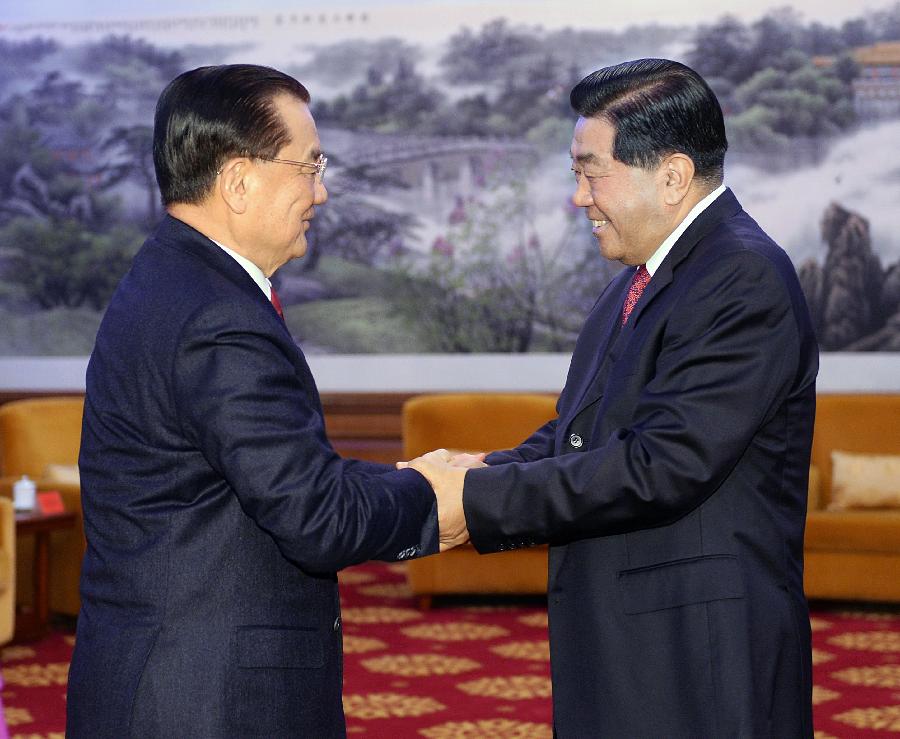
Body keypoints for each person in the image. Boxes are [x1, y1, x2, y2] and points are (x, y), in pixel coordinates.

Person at [405, 58, 818, 737]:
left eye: (592, 173)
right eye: (577, 174)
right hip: (641, 646)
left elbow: (661, 465)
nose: (579, 198)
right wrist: (483, 469)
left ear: (673, 176)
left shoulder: (741, 276)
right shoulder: (644, 276)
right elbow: (588, 429)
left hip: (699, 659)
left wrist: (474, 502)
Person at [67, 64, 449, 738]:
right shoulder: (217, 316)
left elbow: (271, 473)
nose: (321, 192)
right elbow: (315, 515)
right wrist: (433, 494)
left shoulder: (176, 279)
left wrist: (399, 477)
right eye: (308, 166)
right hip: (203, 702)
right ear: (239, 181)